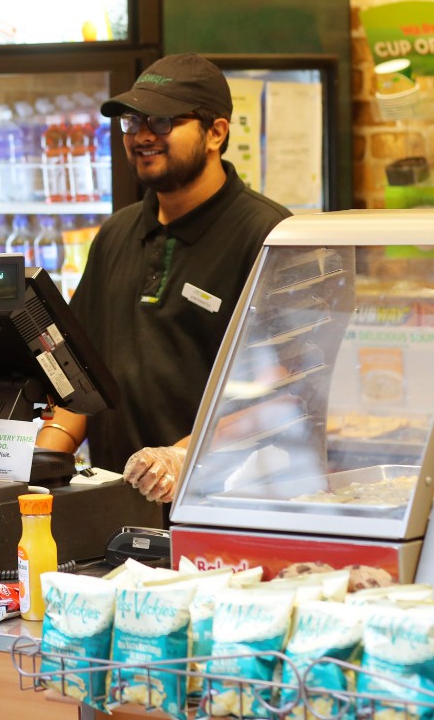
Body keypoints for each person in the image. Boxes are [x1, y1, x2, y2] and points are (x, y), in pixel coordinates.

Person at [35, 53, 291, 513]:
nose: (143, 136)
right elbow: (80, 378)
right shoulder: (116, 234)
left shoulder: (269, 236)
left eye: (163, 120)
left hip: (226, 511)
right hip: (118, 509)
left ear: (216, 132)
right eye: (132, 123)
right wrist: (43, 458)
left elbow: (286, 394)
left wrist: (180, 456)